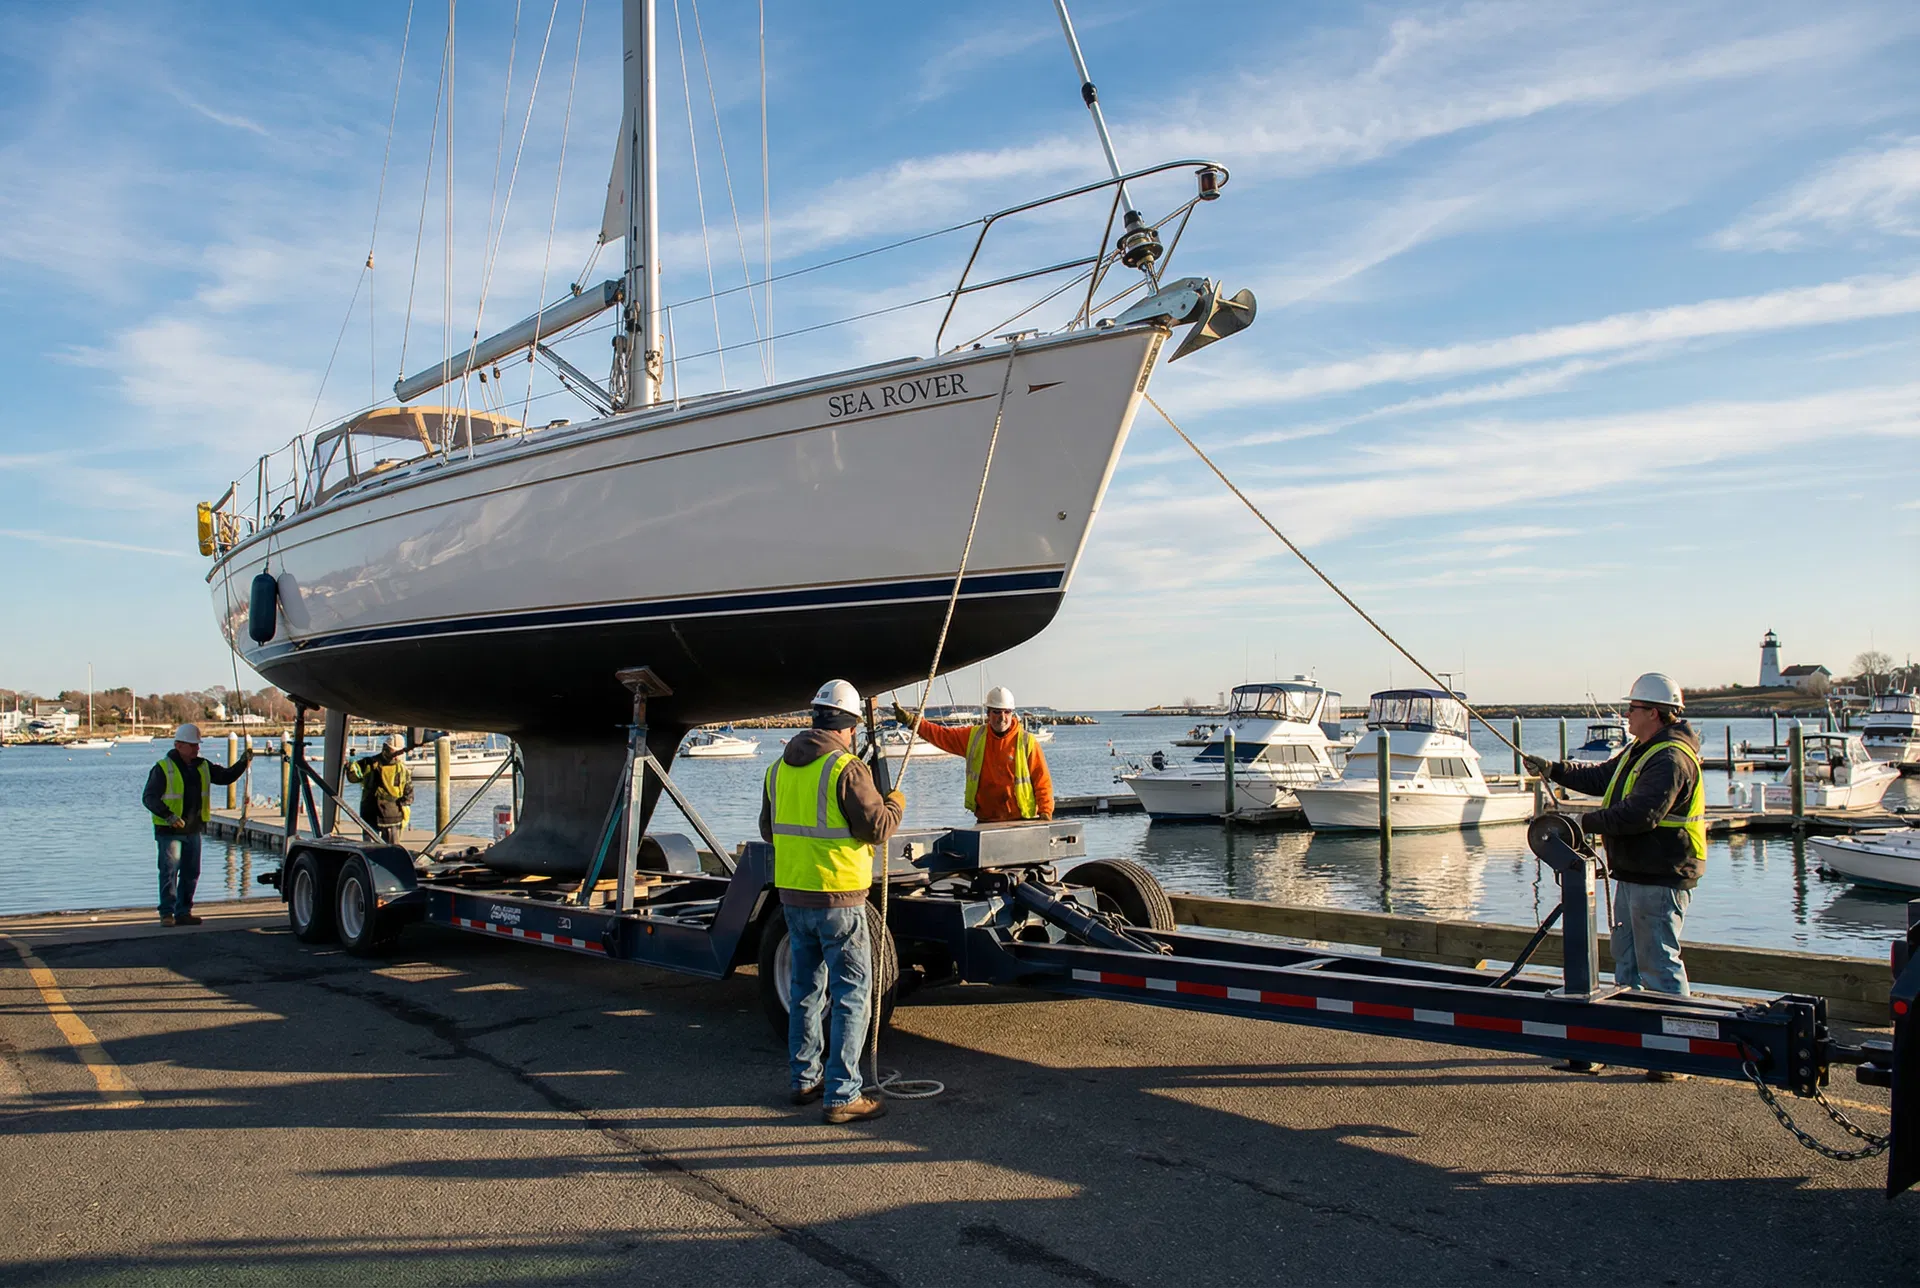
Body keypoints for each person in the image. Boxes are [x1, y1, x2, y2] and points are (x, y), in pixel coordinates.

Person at [1525, 672, 1704, 1065]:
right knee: (1628, 964)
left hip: (1660, 874)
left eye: (1633, 708)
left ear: (1654, 713)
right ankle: (1632, 1045)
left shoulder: (1670, 758)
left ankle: (1675, 1055)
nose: (1627, 714)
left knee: (1657, 964)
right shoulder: (1643, 749)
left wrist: (1581, 824)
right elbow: (1602, 776)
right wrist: (1553, 768)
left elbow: (1641, 814)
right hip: (1638, 872)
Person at [760, 679, 905, 1124]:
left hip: (794, 898)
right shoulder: (847, 768)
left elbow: (770, 831)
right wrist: (896, 802)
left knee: (806, 991)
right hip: (839, 900)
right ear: (850, 725)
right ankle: (843, 1094)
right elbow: (877, 827)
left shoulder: (777, 770)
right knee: (851, 995)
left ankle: (805, 1080)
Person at [140, 723, 252, 927]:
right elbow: (149, 798)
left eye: (197, 745)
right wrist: (169, 816)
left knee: (191, 872)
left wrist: (243, 763)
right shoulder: (163, 768)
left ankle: (183, 912)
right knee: (169, 871)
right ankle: (167, 913)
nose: (196, 748)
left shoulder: (202, 766)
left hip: (193, 829)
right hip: (169, 831)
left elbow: (225, 777)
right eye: (192, 745)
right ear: (178, 745)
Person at [892, 686, 1053, 823]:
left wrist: (1045, 814)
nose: (1002, 717)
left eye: (1006, 712)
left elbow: (1042, 781)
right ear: (988, 713)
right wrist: (913, 722)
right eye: (997, 712)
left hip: (1021, 821)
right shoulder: (975, 737)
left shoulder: (1026, 742)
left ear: (1012, 713)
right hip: (986, 821)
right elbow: (942, 735)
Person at [347, 733, 415, 845]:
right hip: (372, 814)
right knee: (375, 850)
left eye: (399, 753)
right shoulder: (368, 763)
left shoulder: (402, 770)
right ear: (385, 748)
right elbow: (353, 777)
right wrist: (350, 767)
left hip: (391, 816)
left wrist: (403, 806)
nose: (396, 756)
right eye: (394, 752)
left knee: (389, 851)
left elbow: (409, 794)